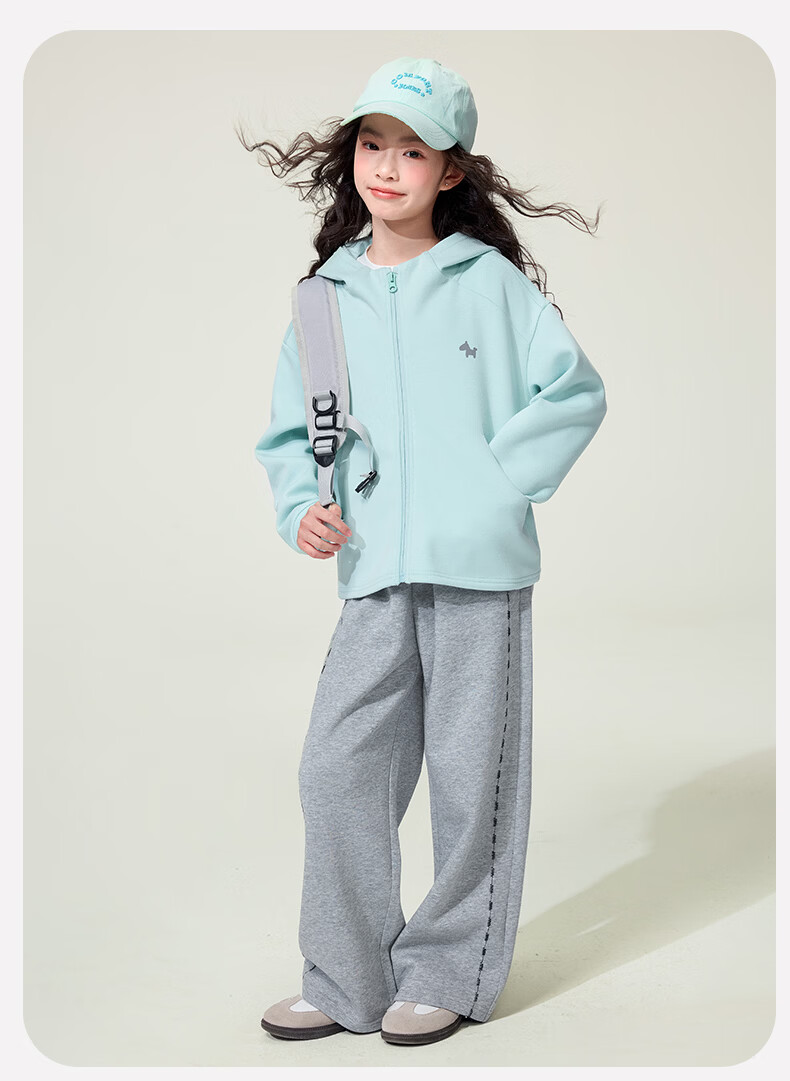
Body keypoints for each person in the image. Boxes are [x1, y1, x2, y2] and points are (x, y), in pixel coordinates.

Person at [242, 56, 608, 1047]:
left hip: (479, 573)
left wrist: (500, 481)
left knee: (467, 777)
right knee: (336, 769)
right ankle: (346, 976)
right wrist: (303, 508)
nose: (386, 167)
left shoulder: (489, 283)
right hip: (372, 571)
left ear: (450, 171)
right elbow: (290, 435)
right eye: (373, 145)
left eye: (412, 151)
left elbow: (573, 391)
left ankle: (446, 970)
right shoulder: (323, 299)